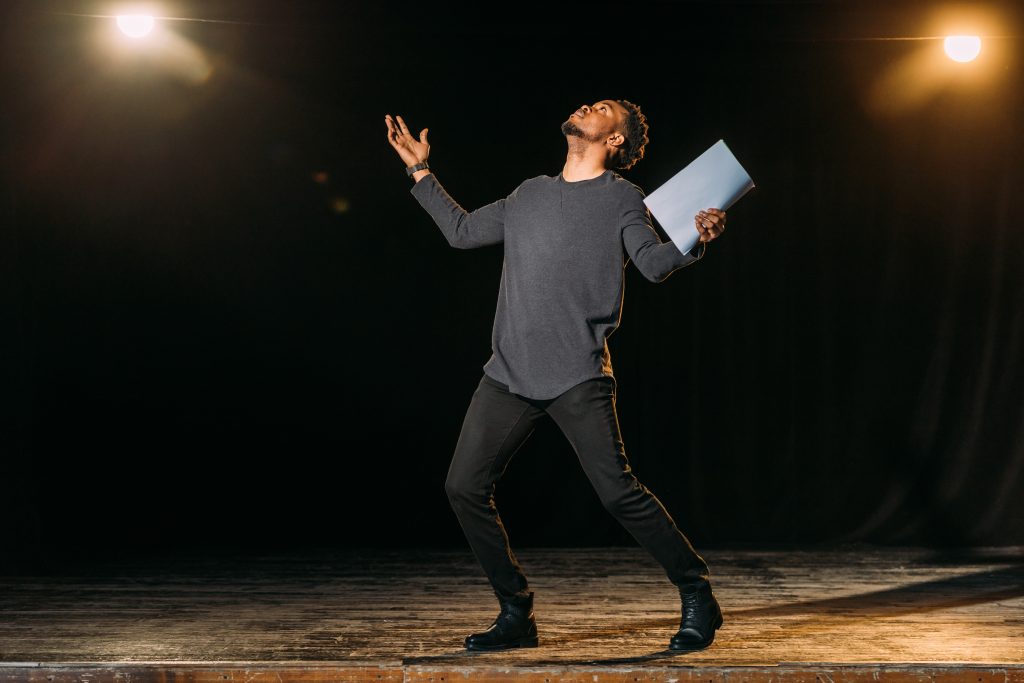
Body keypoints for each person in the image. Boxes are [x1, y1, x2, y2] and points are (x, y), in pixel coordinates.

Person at [383, 99, 727, 652]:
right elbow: (463, 232)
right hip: (509, 374)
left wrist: (696, 239)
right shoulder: (529, 194)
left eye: (603, 107)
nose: (587, 104)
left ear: (615, 140)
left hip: (577, 374)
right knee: (463, 486)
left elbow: (654, 265)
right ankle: (516, 613)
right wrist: (420, 170)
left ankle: (697, 593)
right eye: (589, 100)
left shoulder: (622, 198)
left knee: (617, 493)